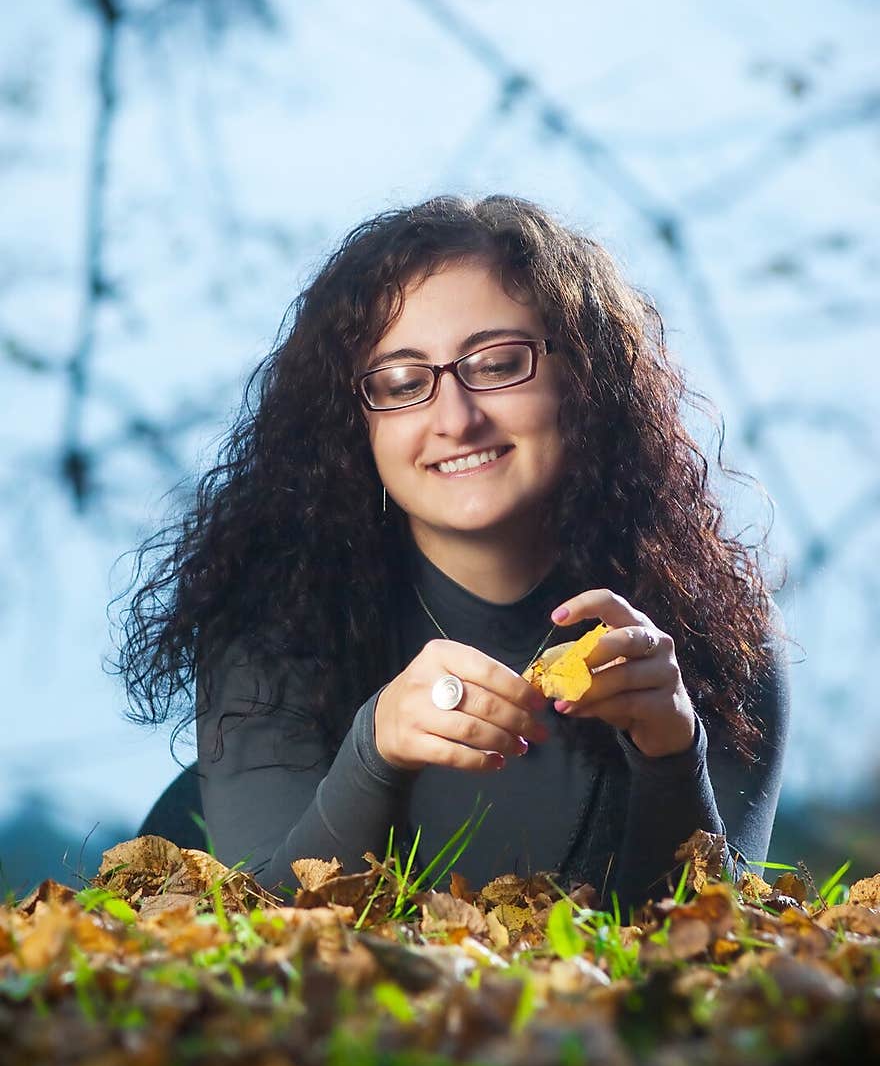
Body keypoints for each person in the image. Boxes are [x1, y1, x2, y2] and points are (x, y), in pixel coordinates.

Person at [113, 193, 791, 917]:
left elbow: (707, 963)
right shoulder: (269, 631)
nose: (457, 418)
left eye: (498, 365)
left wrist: (671, 754)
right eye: (402, 383)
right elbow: (262, 939)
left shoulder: (721, 640)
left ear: (584, 381)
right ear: (353, 424)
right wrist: (373, 750)